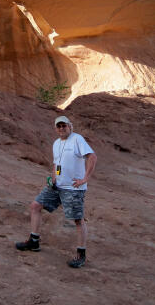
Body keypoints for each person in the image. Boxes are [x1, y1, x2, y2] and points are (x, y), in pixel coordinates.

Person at [16, 115, 97, 268]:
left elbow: (92, 157)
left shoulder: (77, 139)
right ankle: (34, 241)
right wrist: (54, 177)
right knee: (35, 206)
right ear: (55, 128)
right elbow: (57, 163)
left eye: (64, 125)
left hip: (73, 188)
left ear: (70, 126)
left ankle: (81, 254)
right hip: (57, 186)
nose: (61, 128)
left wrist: (85, 179)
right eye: (58, 126)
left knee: (78, 220)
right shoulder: (56, 143)